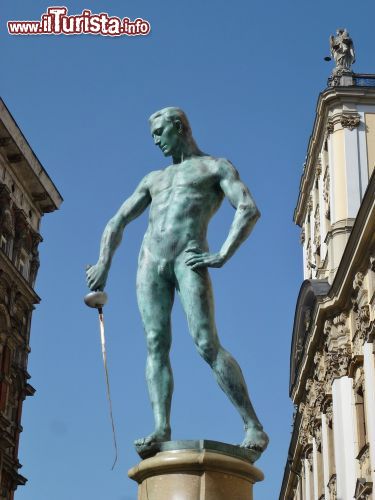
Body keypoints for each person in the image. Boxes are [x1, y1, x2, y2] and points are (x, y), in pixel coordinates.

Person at [86, 107, 269, 454]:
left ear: (179, 127)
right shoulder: (153, 179)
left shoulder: (215, 167)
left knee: (205, 343)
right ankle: (161, 427)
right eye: (152, 135)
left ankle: (253, 426)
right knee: (155, 343)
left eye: (159, 133)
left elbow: (247, 208)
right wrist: (103, 264)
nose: (155, 141)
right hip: (149, 261)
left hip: (188, 258)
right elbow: (117, 221)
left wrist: (224, 253)